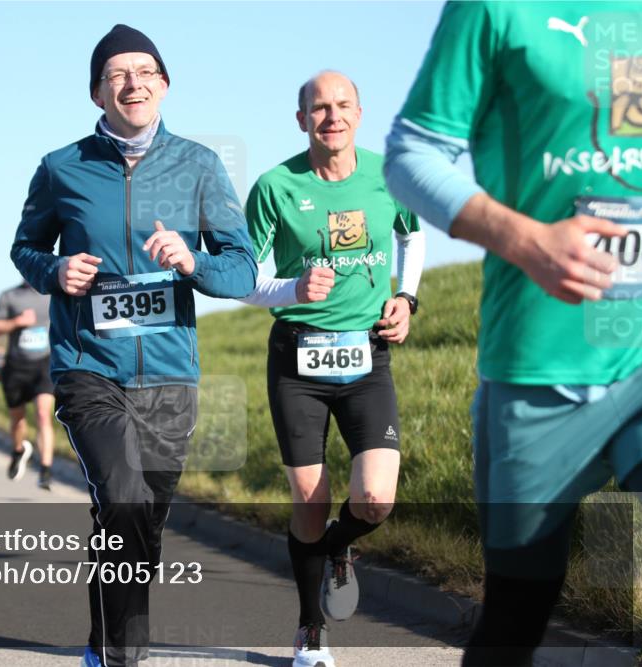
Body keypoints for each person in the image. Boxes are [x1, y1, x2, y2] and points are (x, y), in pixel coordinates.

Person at [383, 3, 642, 664]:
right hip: (541, 362)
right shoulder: (493, 8)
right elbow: (411, 154)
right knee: (516, 614)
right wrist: (529, 242)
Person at [10, 24, 257, 667]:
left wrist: (192, 261)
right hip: (89, 365)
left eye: (145, 71)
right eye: (117, 73)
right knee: (121, 494)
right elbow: (26, 247)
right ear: (97, 93)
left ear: (165, 85)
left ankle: (107, 634)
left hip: (171, 374)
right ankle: (122, 655)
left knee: (141, 522)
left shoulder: (199, 165)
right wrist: (52, 272)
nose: (132, 82)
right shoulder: (61, 168)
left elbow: (241, 268)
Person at [243, 70, 425, 667]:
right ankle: (309, 629)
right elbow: (241, 277)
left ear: (360, 113)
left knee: (374, 498)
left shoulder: (388, 175)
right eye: (318, 108)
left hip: (367, 354)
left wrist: (408, 297)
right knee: (309, 501)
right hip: (298, 358)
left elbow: (412, 237)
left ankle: (341, 549)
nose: (331, 116)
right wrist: (291, 286)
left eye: (342, 105)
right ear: (301, 120)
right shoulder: (275, 185)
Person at [0, 282, 54, 487]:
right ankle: (18, 450)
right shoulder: (10, 296)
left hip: (45, 363)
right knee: (18, 420)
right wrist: (17, 321)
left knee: (44, 414)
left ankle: (45, 470)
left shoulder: (52, 292)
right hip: (16, 366)